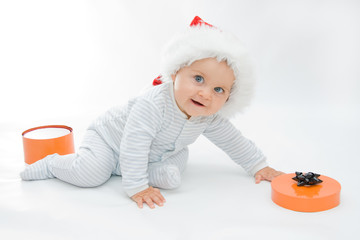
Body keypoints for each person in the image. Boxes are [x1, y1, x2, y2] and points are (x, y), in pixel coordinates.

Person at [20, 16, 283, 209]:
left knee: (174, 172)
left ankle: (128, 169)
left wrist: (258, 165)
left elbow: (233, 140)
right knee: (91, 175)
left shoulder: (209, 116)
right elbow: (135, 142)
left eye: (218, 89)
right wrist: (137, 187)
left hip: (160, 150)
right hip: (109, 140)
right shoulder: (153, 103)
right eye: (198, 79)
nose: (205, 94)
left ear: (229, 97)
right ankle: (53, 164)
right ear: (176, 72)